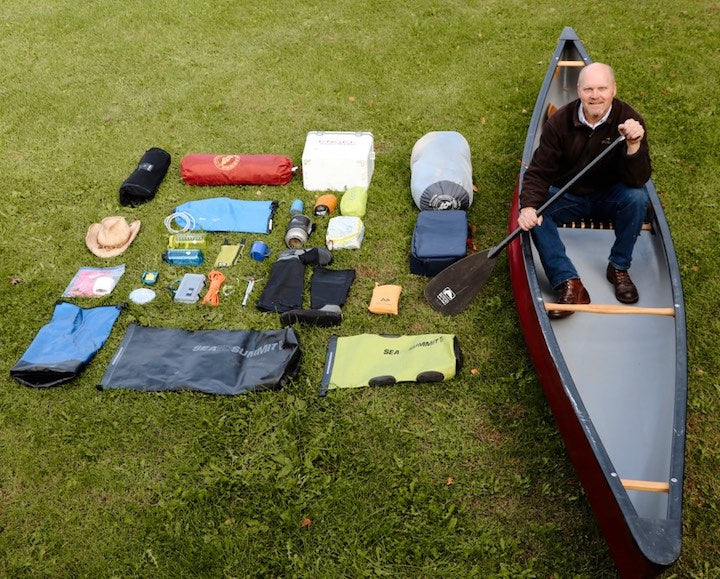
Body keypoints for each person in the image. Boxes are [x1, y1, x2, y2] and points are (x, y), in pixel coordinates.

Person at [518, 62, 651, 319]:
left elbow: (638, 179)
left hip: (610, 195)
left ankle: (619, 267)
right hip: (568, 196)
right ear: (578, 91)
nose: (595, 95)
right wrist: (527, 207)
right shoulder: (559, 122)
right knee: (535, 213)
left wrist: (634, 145)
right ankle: (569, 282)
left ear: (614, 89)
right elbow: (538, 172)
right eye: (588, 89)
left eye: (602, 88)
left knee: (637, 198)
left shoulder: (629, 120)